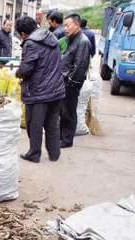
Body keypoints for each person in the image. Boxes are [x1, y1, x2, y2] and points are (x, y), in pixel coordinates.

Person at [15, 16, 65, 163]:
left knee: (34, 125)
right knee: (52, 123)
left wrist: (18, 73)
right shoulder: (51, 36)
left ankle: (34, 154)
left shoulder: (31, 43)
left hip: (39, 92)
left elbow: (26, 68)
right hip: (56, 89)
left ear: (23, 33)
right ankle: (54, 154)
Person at [60, 13, 91, 148]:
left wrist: (71, 83)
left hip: (71, 84)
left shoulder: (82, 41)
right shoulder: (71, 39)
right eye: (64, 26)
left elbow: (80, 66)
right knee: (63, 111)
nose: (65, 29)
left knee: (69, 111)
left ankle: (67, 140)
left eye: (67, 25)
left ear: (77, 25)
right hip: (64, 81)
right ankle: (62, 137)